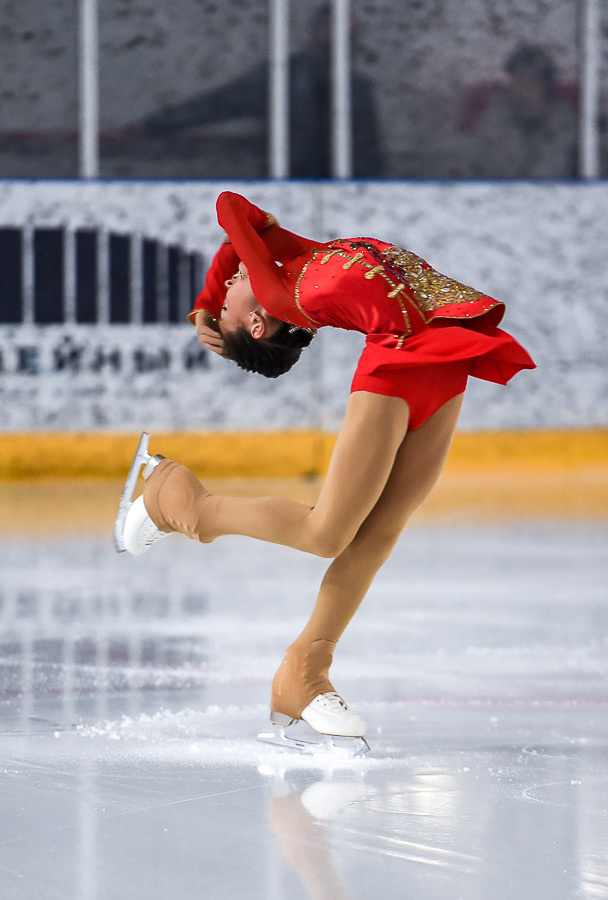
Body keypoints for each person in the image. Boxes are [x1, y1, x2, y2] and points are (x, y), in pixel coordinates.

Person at [117, 191, 535, 750]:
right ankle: (181, 502)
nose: (233, 278)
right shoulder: (275, 292)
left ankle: (303, 673)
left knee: (380, 533)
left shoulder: (293, 260)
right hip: (396, 360)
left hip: (445, 356)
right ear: (258, 323)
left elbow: (244, 220)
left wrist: (207, 300)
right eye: (228, 303)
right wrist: (209, 300)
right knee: (326, 532)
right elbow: (232, 212)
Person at [140, 5, 384, 178]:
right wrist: (155, 124)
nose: (342, 42)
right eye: (335, 33)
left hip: (339, 195)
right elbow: (219, 104)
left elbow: (369, 154)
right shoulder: (281, 79)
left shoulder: (358, 90)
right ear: (315, 32)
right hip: (286, 188)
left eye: (350, 36)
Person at [466, 43, 578, 179]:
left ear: (547, 89)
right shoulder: (493, 122)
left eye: (531, 84)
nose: (522, 92)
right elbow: (473, 170)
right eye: (517, 82)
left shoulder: (571, 129)